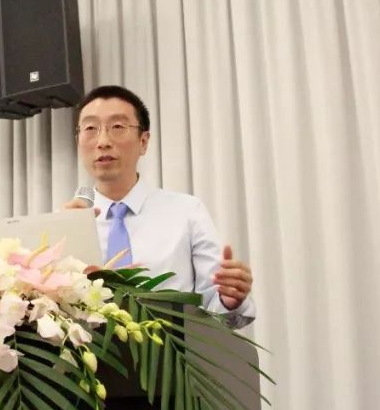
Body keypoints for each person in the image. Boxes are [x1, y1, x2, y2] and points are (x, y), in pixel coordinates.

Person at [64, 85, 255, 327]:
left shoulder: (187, 212)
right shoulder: (67, 223)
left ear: (143, 142)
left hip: (171, 348)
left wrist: (229, 300)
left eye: (118, 127)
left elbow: (218, 313)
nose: (103, 141)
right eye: (91, 128)